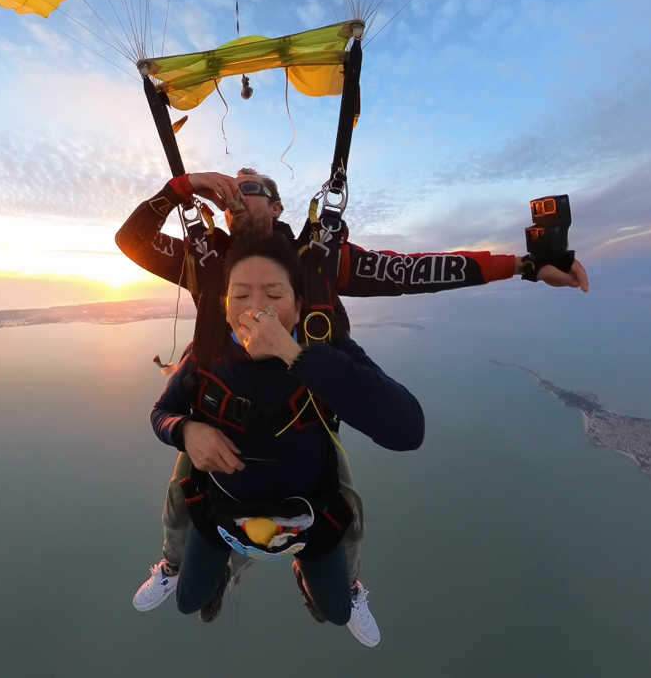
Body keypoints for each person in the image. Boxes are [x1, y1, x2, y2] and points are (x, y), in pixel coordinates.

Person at [123, 169, 588, 643]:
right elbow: (133, 240)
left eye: (251, 189)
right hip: (216, 395)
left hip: (302, 410)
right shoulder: (206, 260)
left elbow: (411, 272)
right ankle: (179, 564)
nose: (236, 198)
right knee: (182, 500)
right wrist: (185, 186)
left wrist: (522, 266)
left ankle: (334, 580)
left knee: (342, 520)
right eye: (228, 194)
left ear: (278, 206)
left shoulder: (316, 265)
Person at [149, 232, 424, 636]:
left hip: (310, 515)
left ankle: (308, 577)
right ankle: (221, 576)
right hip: (224, 511)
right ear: (225, 306)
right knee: (189, 601)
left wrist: (296, 356)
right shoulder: (205, 355)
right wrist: (186, 430)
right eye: (240, 296)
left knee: (336, 612)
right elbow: (161, 413)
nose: (256, 309)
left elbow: (407, 428)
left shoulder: (325, 350)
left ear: (297, 306)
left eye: (273, 295)